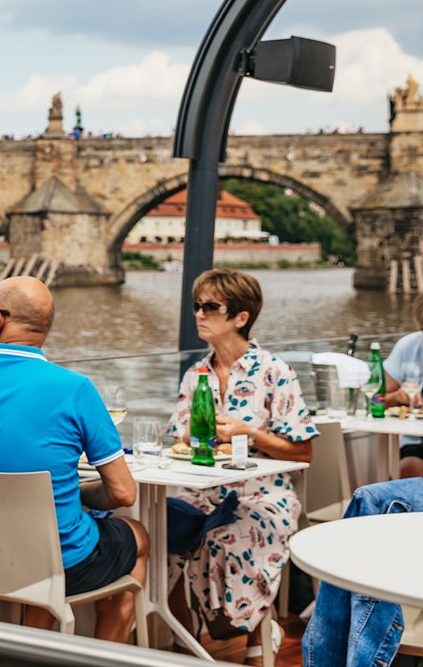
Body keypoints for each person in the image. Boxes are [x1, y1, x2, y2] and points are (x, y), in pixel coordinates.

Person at [0, 276, 149, 644]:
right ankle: (107, 655)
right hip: (54, 564)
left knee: (57, 539)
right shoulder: (74, 388)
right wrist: (78, 494)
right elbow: (124, 493)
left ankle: (34, 648)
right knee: (138, 538)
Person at [166, 269, 315, 664]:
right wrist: (188, 440)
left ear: (241, 317)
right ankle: (187, 644)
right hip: (203, 489)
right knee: (161, 535)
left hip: (265, 494)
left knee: (230, 535)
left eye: (211, 307)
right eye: (197, 306)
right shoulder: (195, 374)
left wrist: (249, 433)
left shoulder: (274, 372)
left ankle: (247, 630)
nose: (199, 314)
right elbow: (180, 439)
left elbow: (303, 453)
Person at [378, 287, 423, 495]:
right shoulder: (407, 347)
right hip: (419, 442)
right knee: (413, 476)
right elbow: (375, 401)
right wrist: (397, 397)